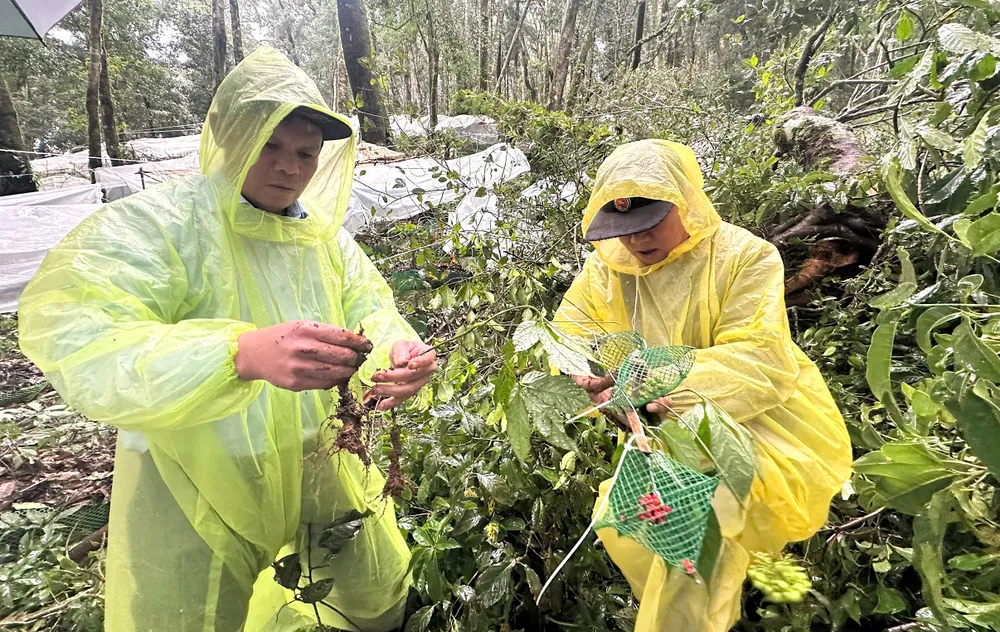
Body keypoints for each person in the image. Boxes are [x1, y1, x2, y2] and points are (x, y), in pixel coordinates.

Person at [17, 47, 436, 632]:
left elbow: (372, 311)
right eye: (270, 145)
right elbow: (77, 328)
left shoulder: (326, 242)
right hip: (198, 477)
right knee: (192, 614)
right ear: (229, 136)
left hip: (322, 455)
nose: (288, 167)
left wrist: (397, 354)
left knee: (372, 597)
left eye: (305, 154)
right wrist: (235, 355)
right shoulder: (158, 226)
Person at [554, 139, 852, 631]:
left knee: (687, 526)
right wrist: (581, 373)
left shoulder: (746, 257)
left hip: (758, 420)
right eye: (624, 230)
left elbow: (760, 359)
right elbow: (571, 330)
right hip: (662, 428)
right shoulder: (608, 268)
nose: (636, 242)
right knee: (626, 521)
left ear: (685, 202)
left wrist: (656, 380)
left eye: (650, 224)